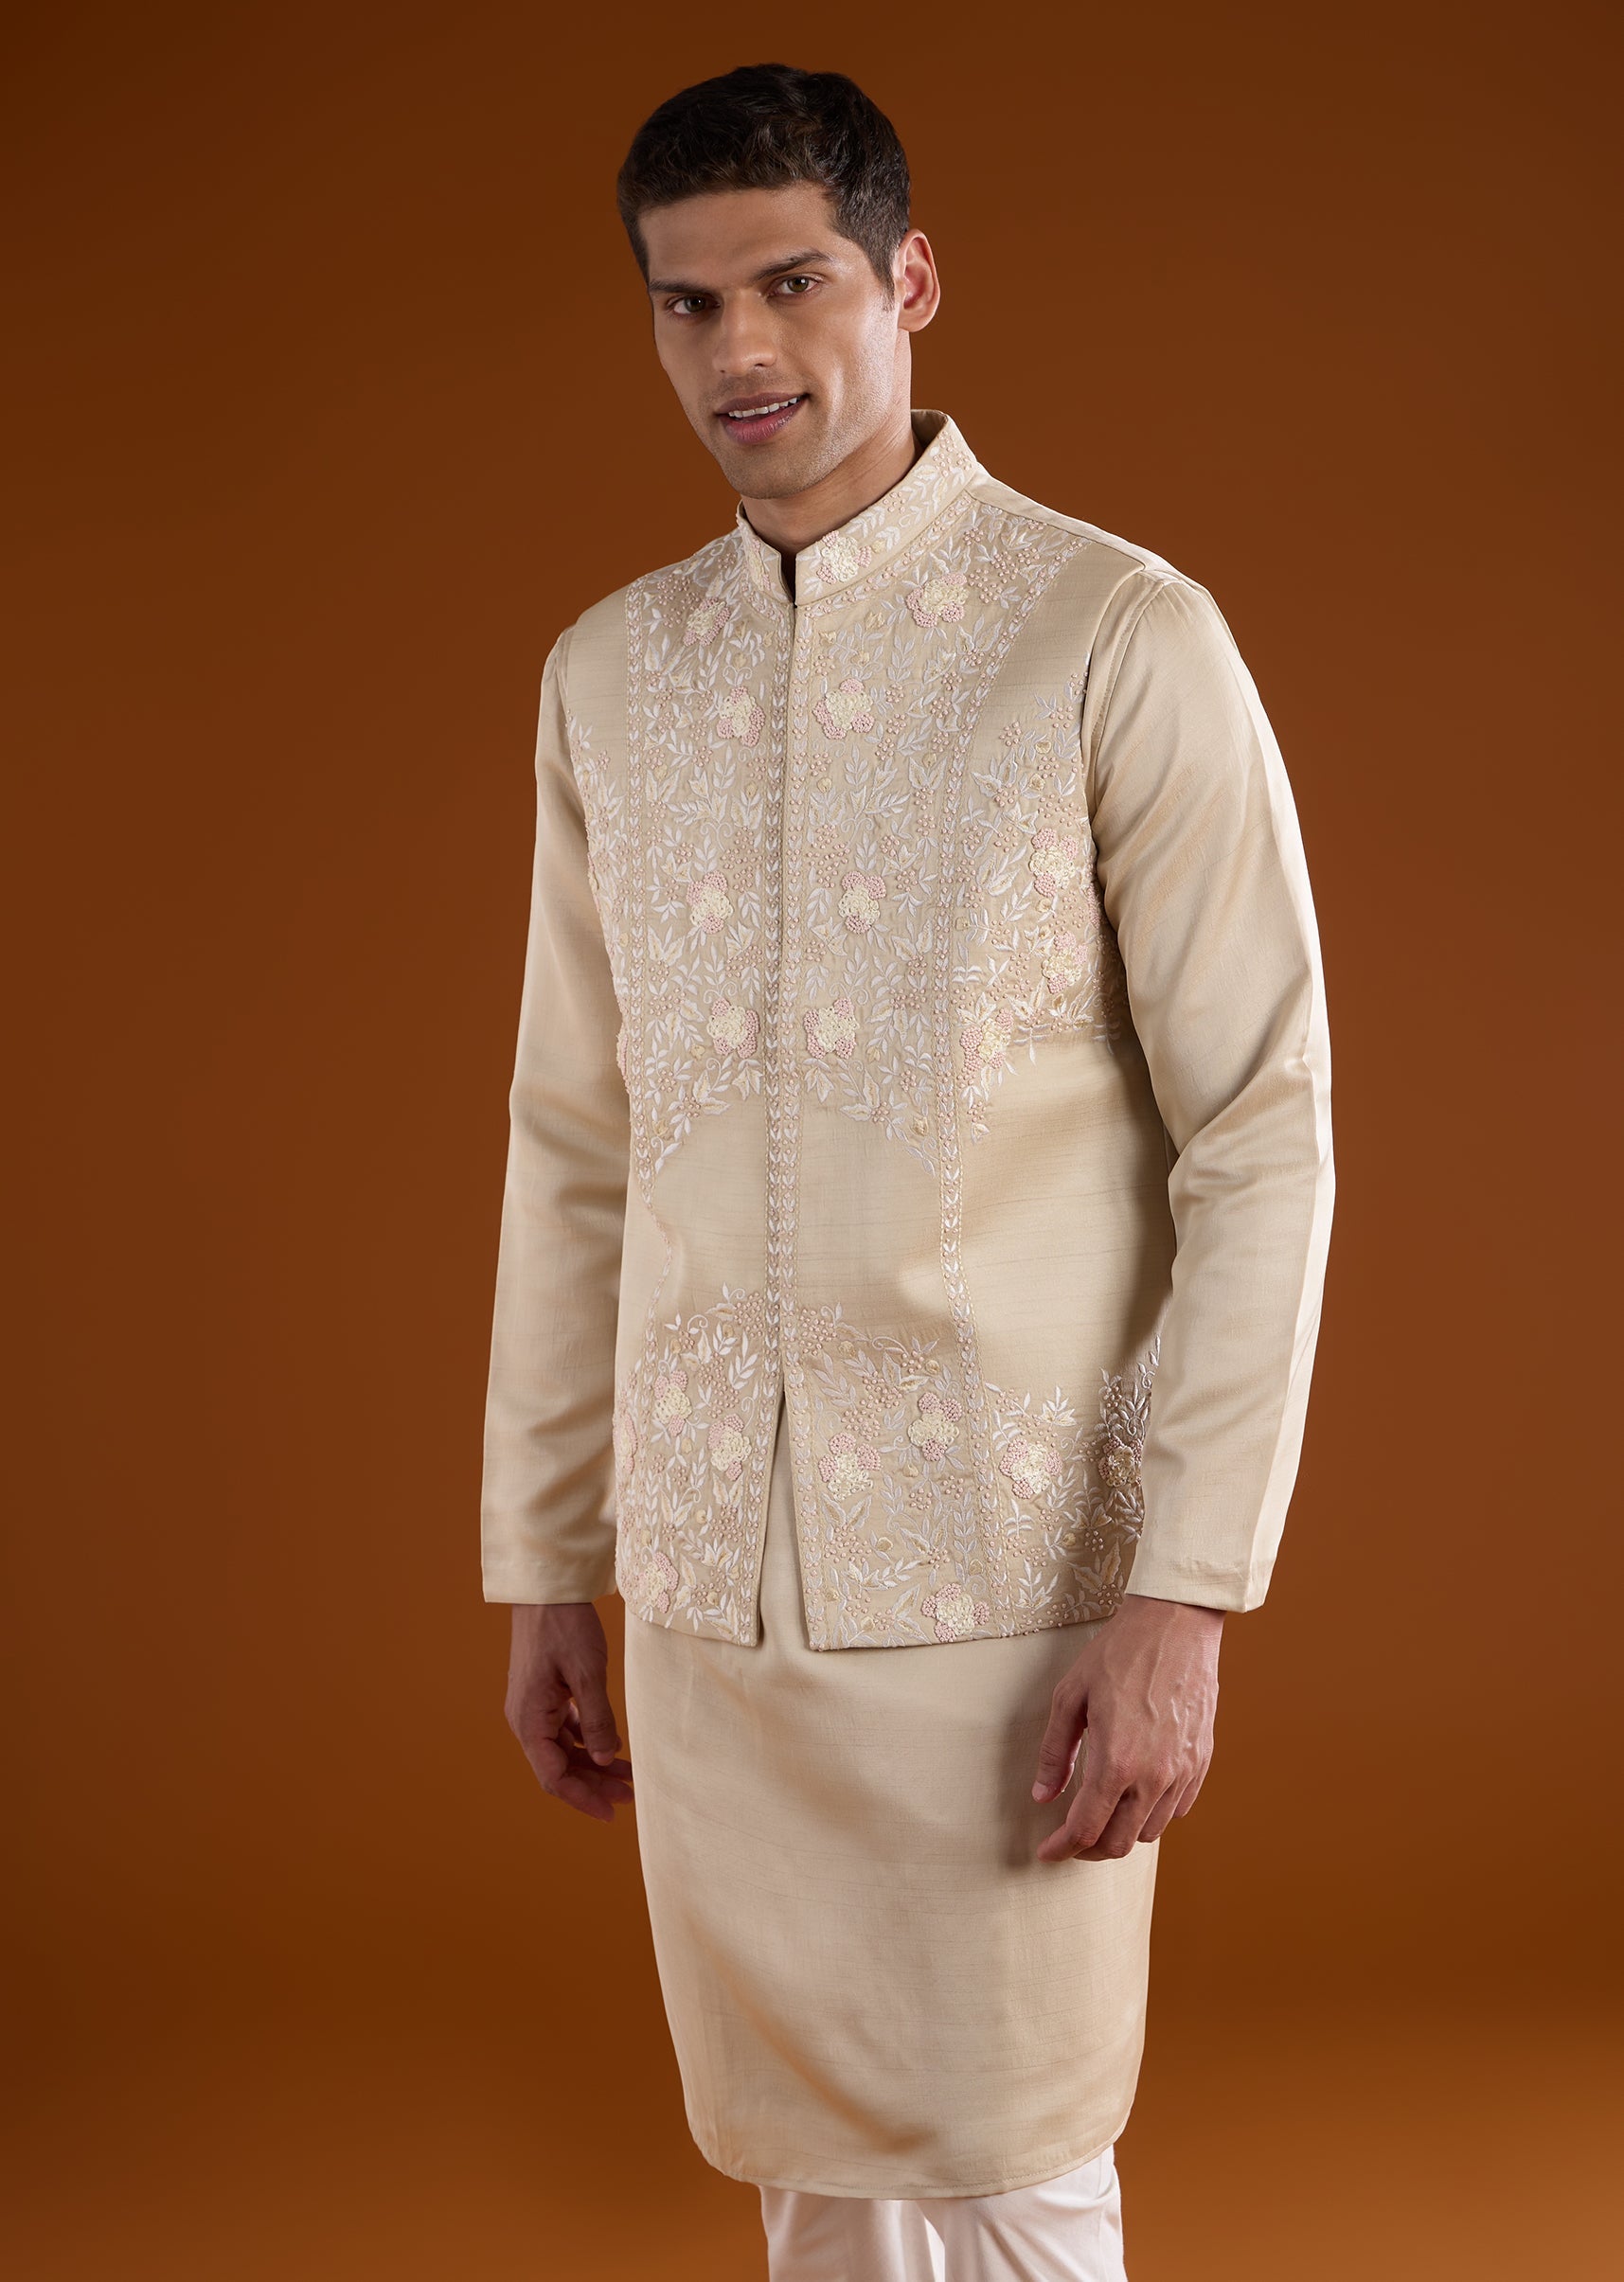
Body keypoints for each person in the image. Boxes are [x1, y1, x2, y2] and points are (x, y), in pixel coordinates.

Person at [481, 61, 1334, 2282]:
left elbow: (1263, 1131)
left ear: (910, 281)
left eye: (793, 283)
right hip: (710, 1593)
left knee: (1014, 2163)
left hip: (1013, 1592)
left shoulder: (1113, 636)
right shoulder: (609, 677)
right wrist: (548, 1554)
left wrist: (1187, 1594)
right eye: (687, 305)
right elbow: (576, 1143)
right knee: (814, 2180)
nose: (741, 350)